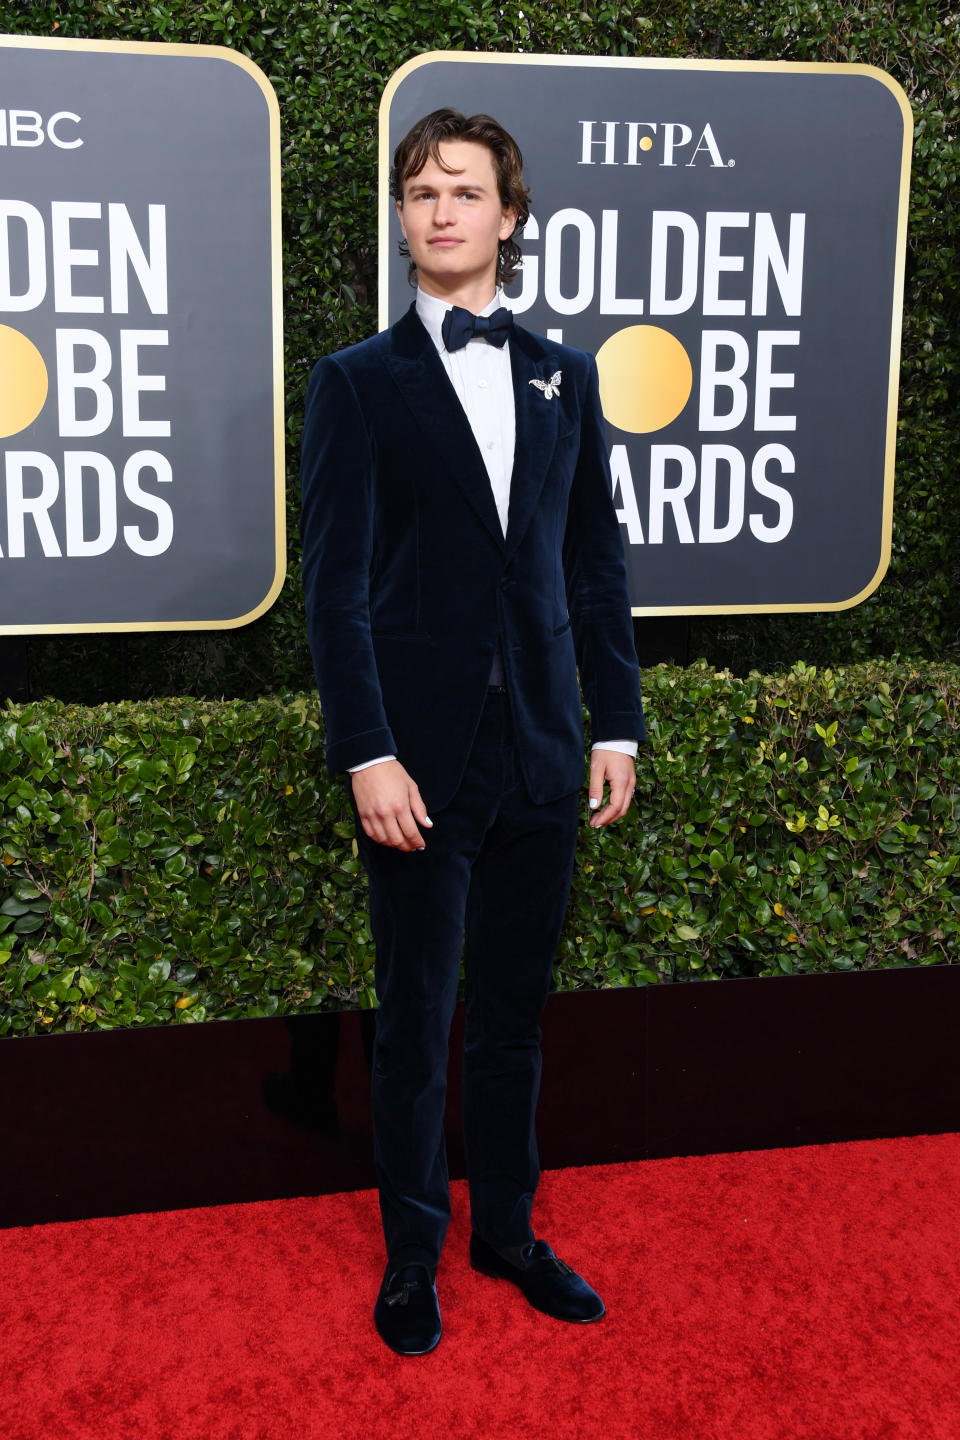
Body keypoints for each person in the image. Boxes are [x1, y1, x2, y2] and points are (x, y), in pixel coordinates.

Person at [300, 108, 645, 1356]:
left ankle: (505, 1225)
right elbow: (334, 588)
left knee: (510, 1016)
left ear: (509, 215)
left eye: (461, 190)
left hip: (547, 752)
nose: (437, 209)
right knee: (415, 1017)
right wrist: (366, 750)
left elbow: (594, 563)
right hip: (420, 764)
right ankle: (409, 1258)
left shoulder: (566, 374)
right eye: (417, 190)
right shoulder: (353, 383)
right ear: (404, 219)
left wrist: (619, 723)